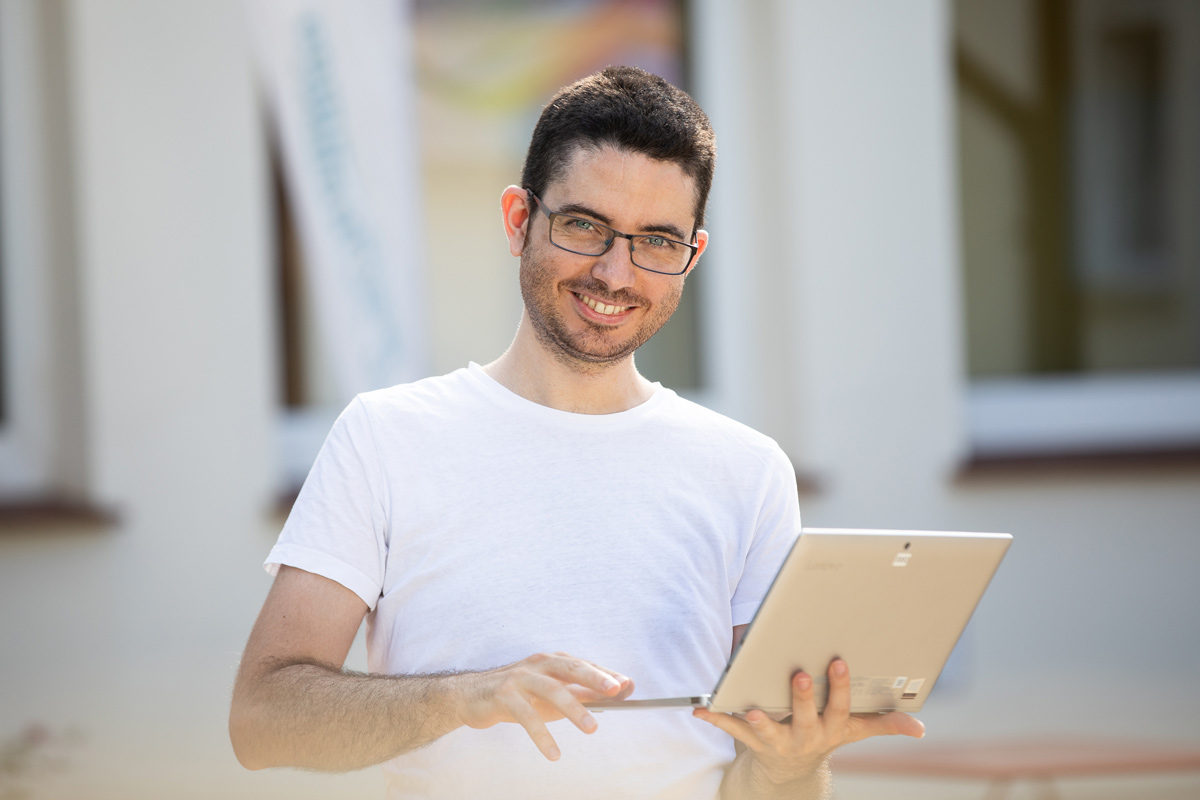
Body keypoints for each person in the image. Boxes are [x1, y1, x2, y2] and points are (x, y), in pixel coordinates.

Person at [229, 65, 923, 799]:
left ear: (692, 256)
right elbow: (262, 719)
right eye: (585, 226)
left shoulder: (747, 472)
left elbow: (758, 784)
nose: (616, 274)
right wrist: (460, 697)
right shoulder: (387, 438)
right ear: (518, 221)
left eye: (657, 241)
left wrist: (793, 763)